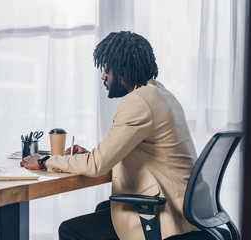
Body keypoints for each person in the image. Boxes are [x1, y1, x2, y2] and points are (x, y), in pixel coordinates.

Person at [21, 31, 198, 240]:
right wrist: (89, 155)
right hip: (185, 210)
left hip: (166, 217)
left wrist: (44, 161)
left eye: (106, 69)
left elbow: (97, 166)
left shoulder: (138, 102)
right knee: (104, 209)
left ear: (122, 72)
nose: (104, 76)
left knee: (71, 230)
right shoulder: (160, 94)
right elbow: (126, 155)